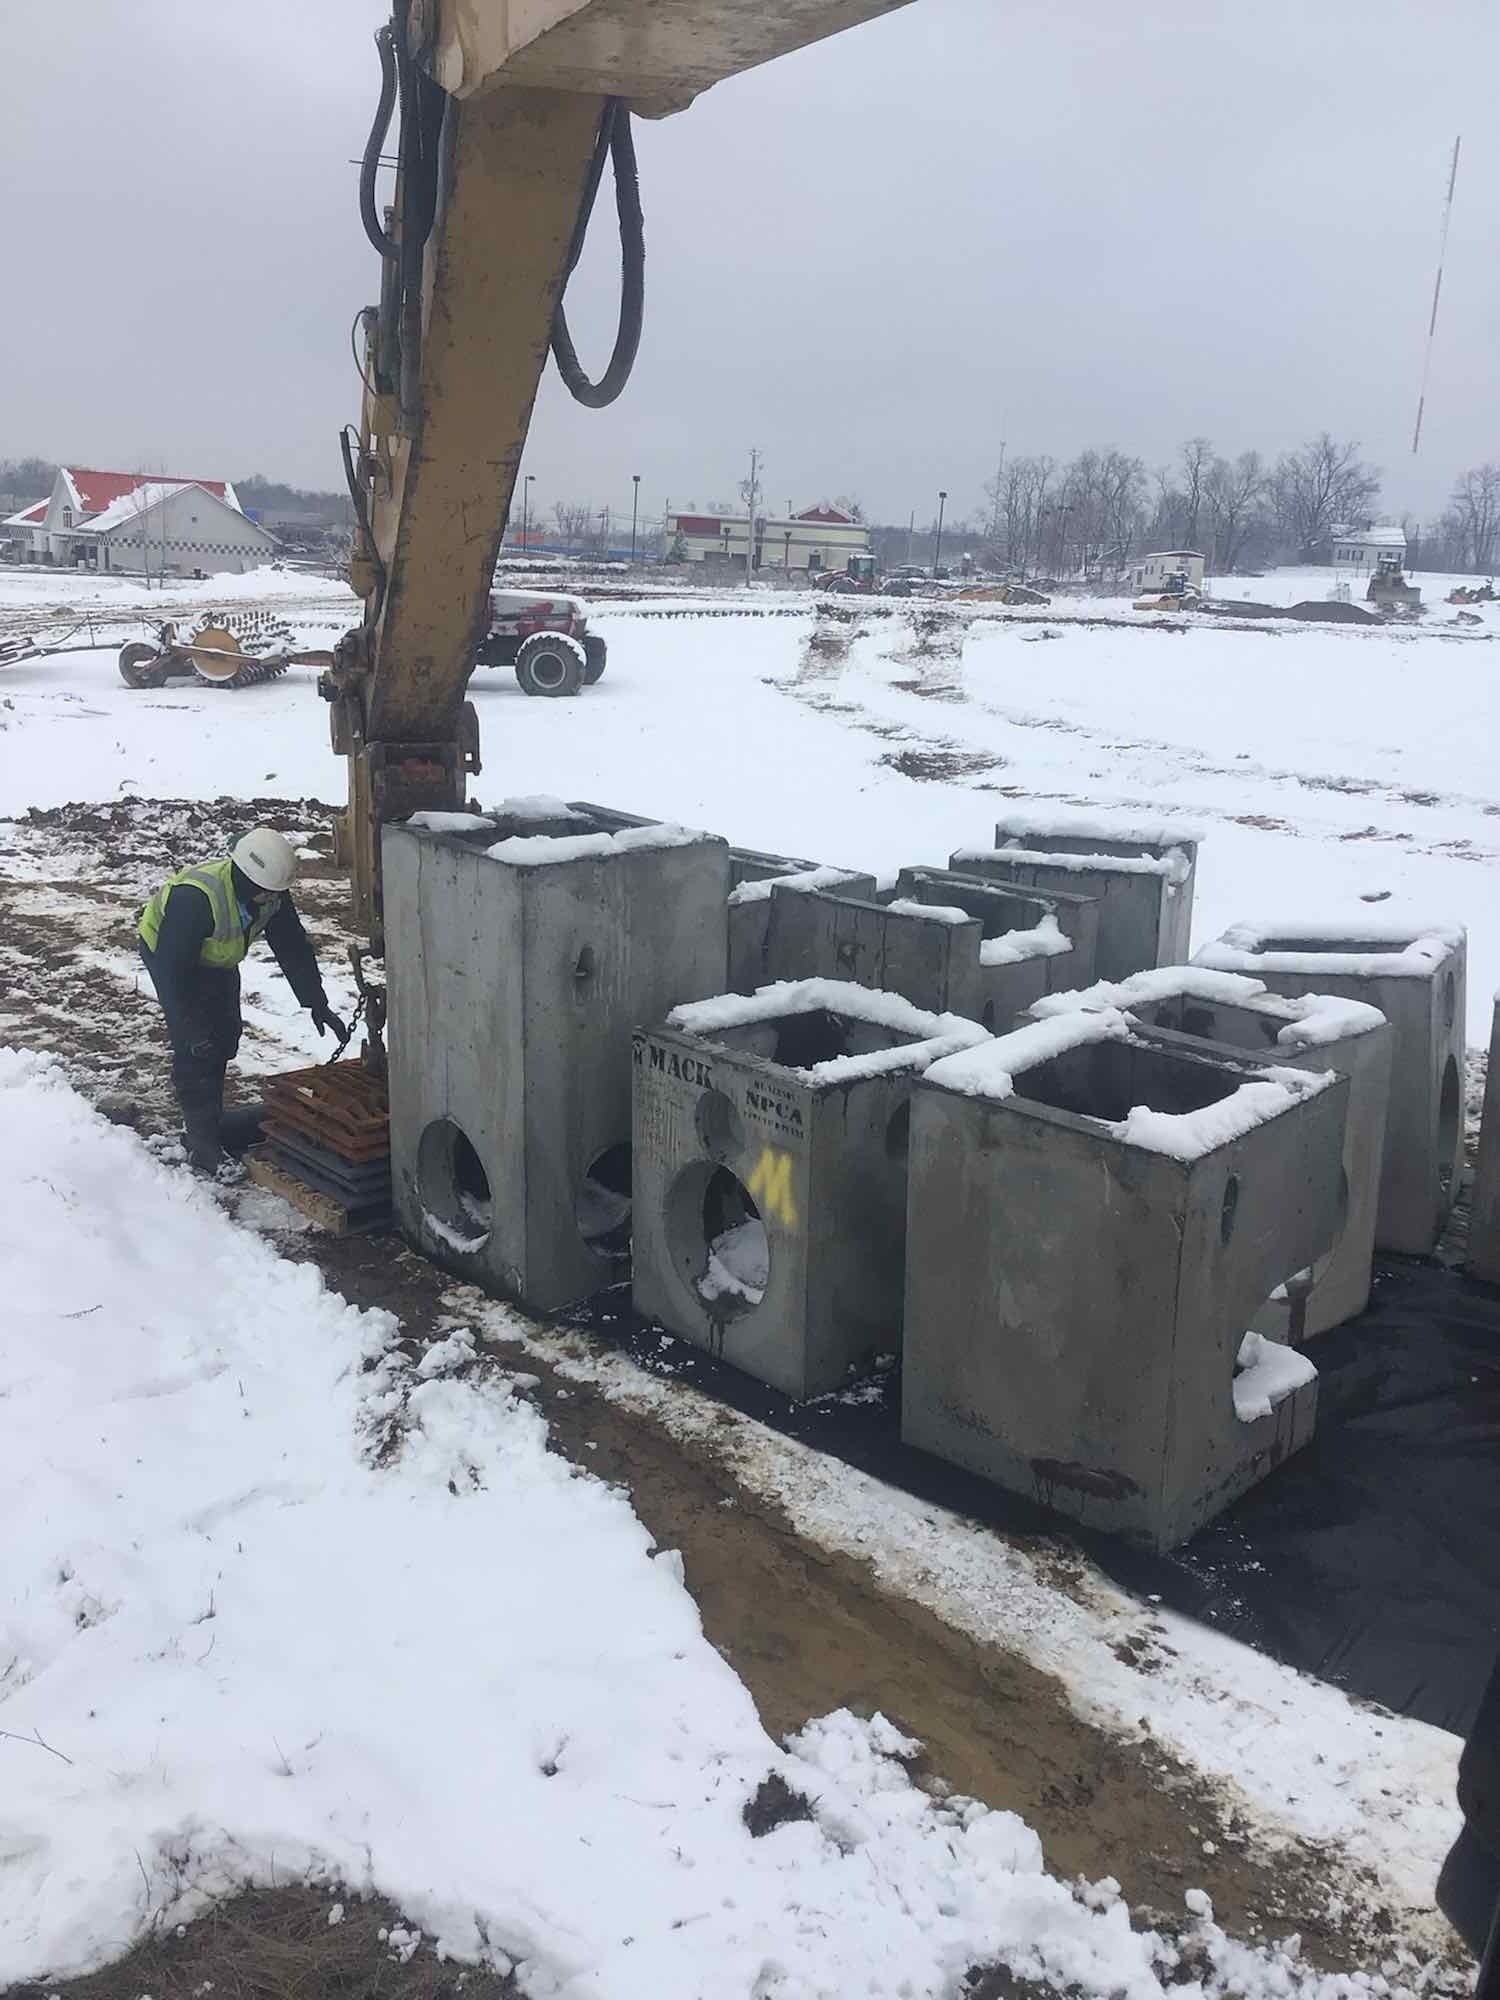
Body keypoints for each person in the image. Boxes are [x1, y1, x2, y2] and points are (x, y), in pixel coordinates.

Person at [138, 827, 346, 1177]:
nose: (271, 898)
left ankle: (213, 1120)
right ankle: (203, 1144)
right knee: (196, 1047)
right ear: (247, 877)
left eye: (276, 893)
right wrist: (190, 1030)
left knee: (225, 1034)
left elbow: (292, 946)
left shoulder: (270, 894)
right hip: (171, 954)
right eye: (266, 891)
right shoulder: (197, 899)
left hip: (218, 959)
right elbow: (174, 980)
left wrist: (316, 1001)